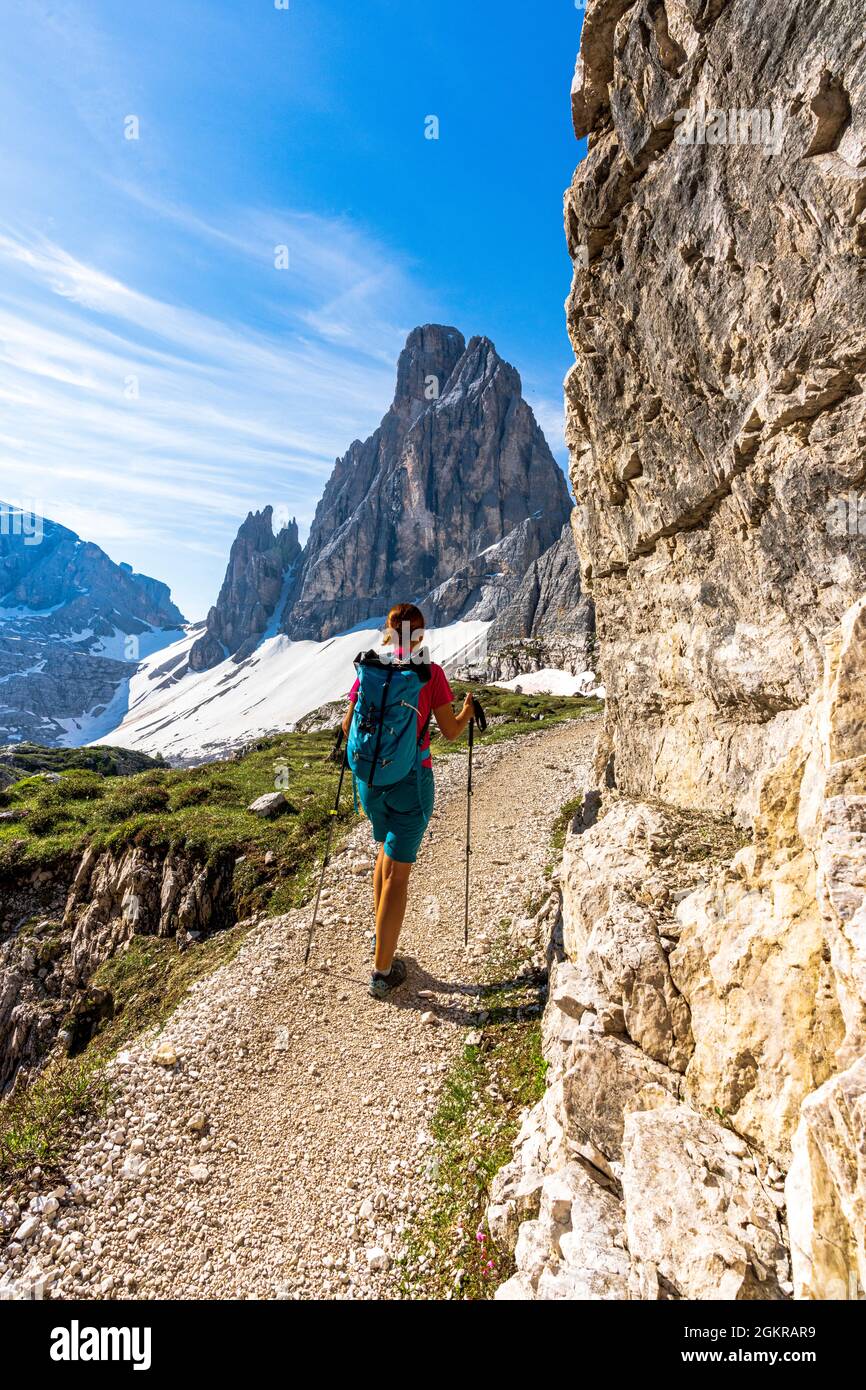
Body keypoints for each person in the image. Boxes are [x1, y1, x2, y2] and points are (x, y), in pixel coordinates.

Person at [341, 602, 475, 999]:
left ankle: (379, 938)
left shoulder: (370, 667)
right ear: (419, 634)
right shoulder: (429, 673)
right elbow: (450, 731)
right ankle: (383, 971)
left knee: (385, 850)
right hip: (411, 781)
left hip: (369, 783)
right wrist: (467, 711)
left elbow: (348, 725)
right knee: (399, 872)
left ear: (388, 630)